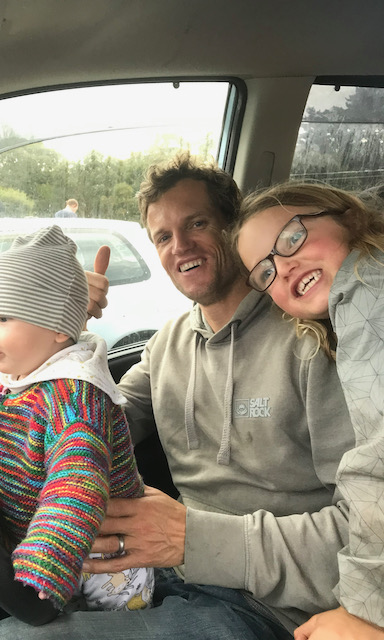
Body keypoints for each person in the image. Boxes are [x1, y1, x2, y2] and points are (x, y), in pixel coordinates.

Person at [0, 154, 355, 640]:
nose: (180, 246)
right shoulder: (167, 344)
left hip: (268, 606)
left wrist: (191, 538)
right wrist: (61, 329)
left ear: (232, 227)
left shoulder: (314, 341)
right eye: (162, 236)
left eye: (196, 223)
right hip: (166, 571)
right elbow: (88, 424)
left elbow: (365, 533)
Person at [0, 226, 153, 617]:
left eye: (3, 317)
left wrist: (48, 553)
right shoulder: (28, 380)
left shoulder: (76, 398)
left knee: (114, 625)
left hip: (104, 560)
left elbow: (77, 478)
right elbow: (5, 425)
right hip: (52, 543)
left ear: (58, 327)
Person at [234, 181, 384, 638]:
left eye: (293, 237)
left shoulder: (367, 284)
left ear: (348, 216)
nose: (283, 267)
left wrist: (366, 611)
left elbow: (378, 462)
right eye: (265, 272)